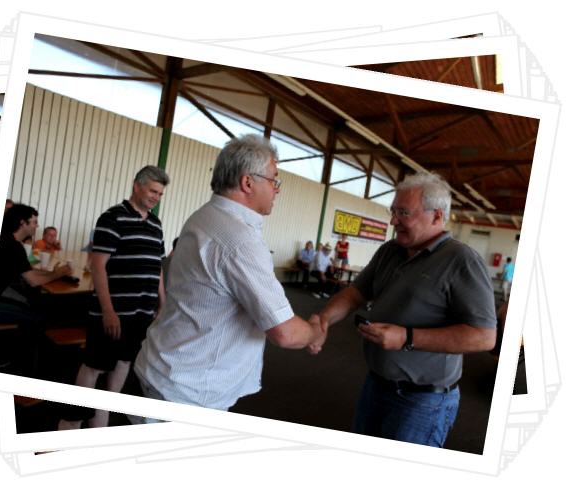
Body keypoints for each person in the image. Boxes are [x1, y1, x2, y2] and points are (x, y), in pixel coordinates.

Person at [133, 134, 324, 415]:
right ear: (248, 183)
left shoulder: (203, 216)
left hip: (163, 368)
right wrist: (314, 332)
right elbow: (284, 332)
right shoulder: (240, 241)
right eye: (274, 180)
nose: (277, 189)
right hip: (189, 393)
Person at [310, 172, 496, 448]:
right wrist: (324, 319)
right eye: (393, 211)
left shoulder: (462, 260)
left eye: (403, 213)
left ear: (437, 216)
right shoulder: (390, 251)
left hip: (423, 402)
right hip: (376, 385)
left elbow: (484, 337)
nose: (393, 221)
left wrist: (407, 337)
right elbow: (356, 292)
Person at [60, 165, 170, 429]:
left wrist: (163, 303)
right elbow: (98, 266)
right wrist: (108, 310)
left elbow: (157, 266)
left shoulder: (156, 225)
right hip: (114, 313)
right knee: (94, 367)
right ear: (137, 186)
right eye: (153, 191)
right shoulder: (112, 218)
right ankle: (71, 424)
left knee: (123, 363)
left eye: (160, 194)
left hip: (141, 313)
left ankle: (100, 423)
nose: (156, 197)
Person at [0, 204, 72, 376]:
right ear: (22, 223)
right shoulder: (14, 247)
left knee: (29, 303)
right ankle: (21, 366)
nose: (37, 226)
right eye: (34, 222)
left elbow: (28, 271)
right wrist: (58, 273)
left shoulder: (7, 239)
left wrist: (53, 273)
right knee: (37, 316)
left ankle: (1, 353)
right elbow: (33, 281)